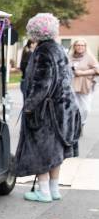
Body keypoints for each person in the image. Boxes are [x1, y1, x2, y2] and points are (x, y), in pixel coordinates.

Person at [16, 13, 82, 202]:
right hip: (64, 108)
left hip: (46, 111)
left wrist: (28, 106)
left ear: (34, 32)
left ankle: (43, 191)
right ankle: (54, 189)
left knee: (41, 150)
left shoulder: (43, 51)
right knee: (56, 151)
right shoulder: (59, 49)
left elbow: (42, 84)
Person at [69, 39, 98, 125]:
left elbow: (97, 70)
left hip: (85, 86)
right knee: (73, 107)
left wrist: (82, 73)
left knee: (85, 108)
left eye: (82, 45)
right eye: (78, 45)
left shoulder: (89, 57)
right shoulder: (69, 57)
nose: (80, 47)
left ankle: (82, 123)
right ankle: (75, 125)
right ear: (74, 46)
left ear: (85, 47)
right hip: (71, 85)